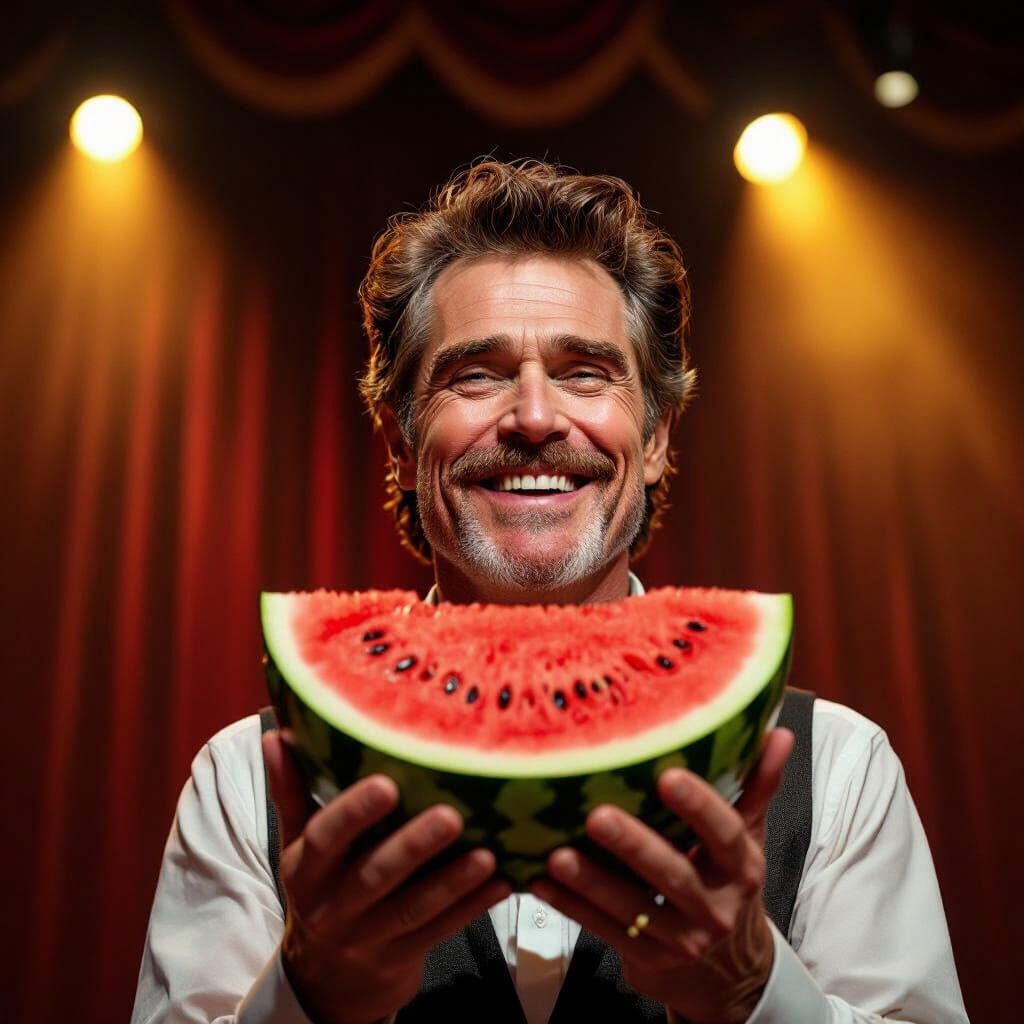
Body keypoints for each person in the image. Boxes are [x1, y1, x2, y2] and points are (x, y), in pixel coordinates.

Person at [132, 160, 968, 1024]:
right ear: (397, 437)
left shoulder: (834, 766)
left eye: (585, 373)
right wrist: (307, 995)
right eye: (476, 375)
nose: (534, 417)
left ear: (653, 438)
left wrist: (754, 990)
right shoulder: (246, 777)